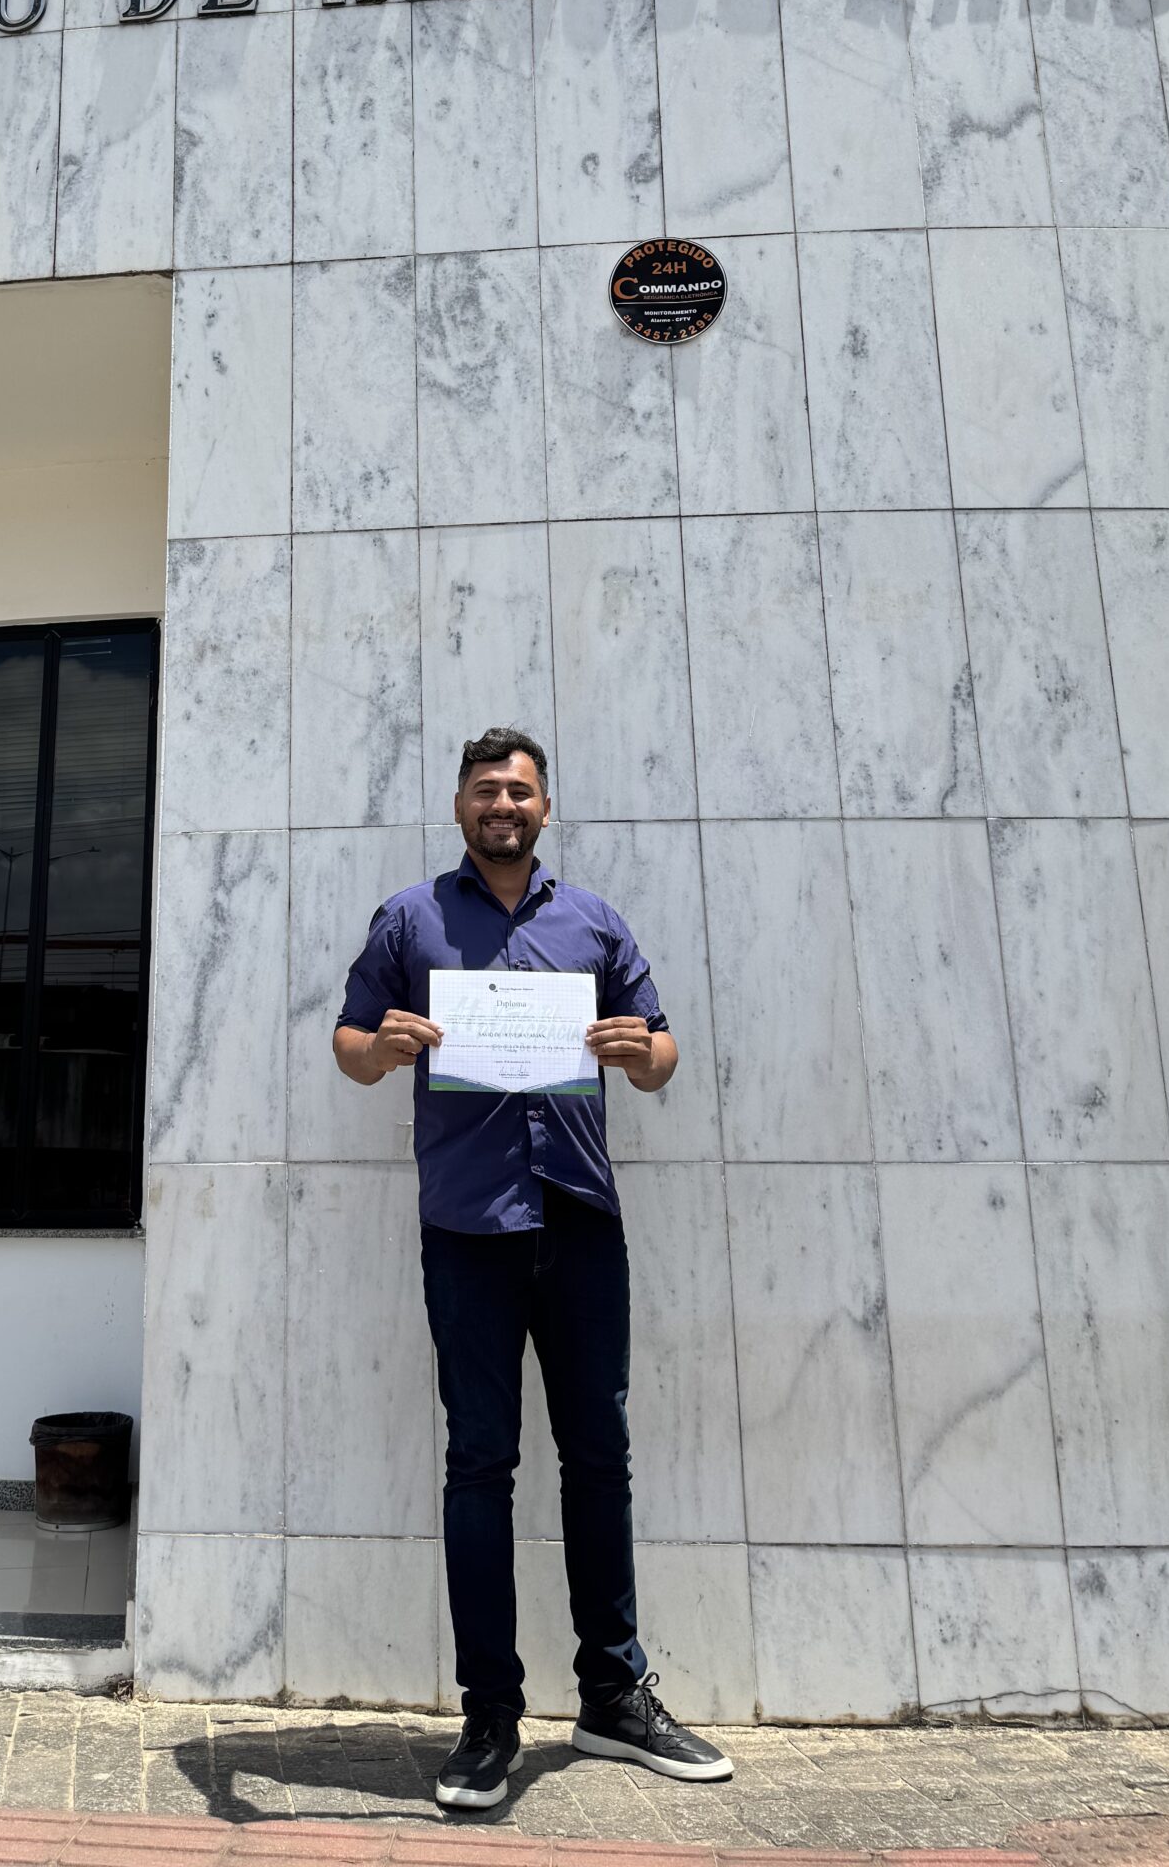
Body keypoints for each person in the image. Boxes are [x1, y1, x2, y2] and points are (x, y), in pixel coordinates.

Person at [334, 727, 733, 1812]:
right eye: (483, 790)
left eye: (518, 789)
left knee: (600, 1453)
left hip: (581, 1219)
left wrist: (634, 1054)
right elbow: (349, 1041)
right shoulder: (413, 918)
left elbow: (662, 1050)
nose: (501, 804)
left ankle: (612, 1693)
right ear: (459, 807)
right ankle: (489, 1717)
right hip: (468, 1227)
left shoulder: (592, 919)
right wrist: (387, 1047)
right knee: (481, 1464)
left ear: (544, 807)